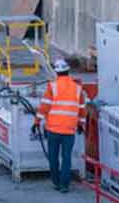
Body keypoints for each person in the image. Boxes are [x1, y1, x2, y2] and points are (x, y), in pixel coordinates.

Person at [33, 59, 85, 193]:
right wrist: (81, 124)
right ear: (68, 71)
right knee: (67, 158)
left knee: (53, 157)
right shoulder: (78, 88)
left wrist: (37, 122)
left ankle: (56, 182)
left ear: (56, 72)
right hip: (69, 130)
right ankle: (64, 185)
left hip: (53, 129)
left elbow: (44, 106)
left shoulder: (52, 86)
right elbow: (82, 109)